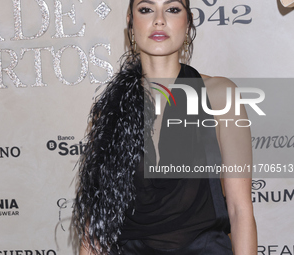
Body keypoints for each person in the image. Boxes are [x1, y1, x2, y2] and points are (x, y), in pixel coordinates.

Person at [72, 0, 257, 254]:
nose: (159, 20)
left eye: (172, 9)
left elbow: (240, 210)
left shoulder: (221, 96)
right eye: (146, 9)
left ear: (188, 20)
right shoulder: (112, 109)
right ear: (130, 20)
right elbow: (96, 225)